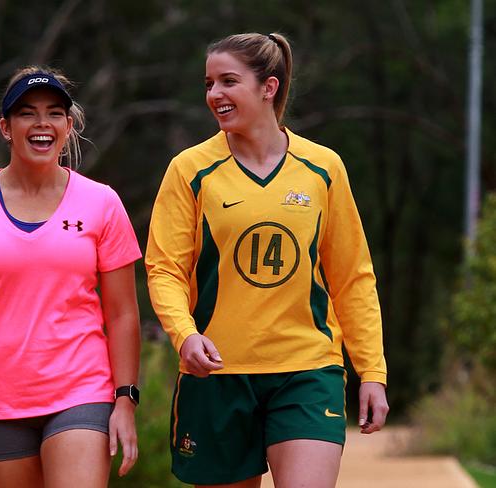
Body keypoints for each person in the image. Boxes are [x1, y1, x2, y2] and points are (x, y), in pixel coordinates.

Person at [145, 33, 389, 488]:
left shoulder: (323, 168)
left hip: (306, 370)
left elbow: (352, 277)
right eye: (209, 83)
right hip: (218, 373)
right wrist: (185, 336)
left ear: (268, 87)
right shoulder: (189, 170)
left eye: (228, 81)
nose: (214, 94)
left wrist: (371, 371)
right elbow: (165, 269)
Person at [0, 66, 142, 488]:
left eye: (54, 113)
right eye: (27, 113)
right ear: (5, 128)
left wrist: (125, 400)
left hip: (81, 390)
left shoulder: (102, 203)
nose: (42, 124)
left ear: (68, 125)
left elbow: (122, 315)